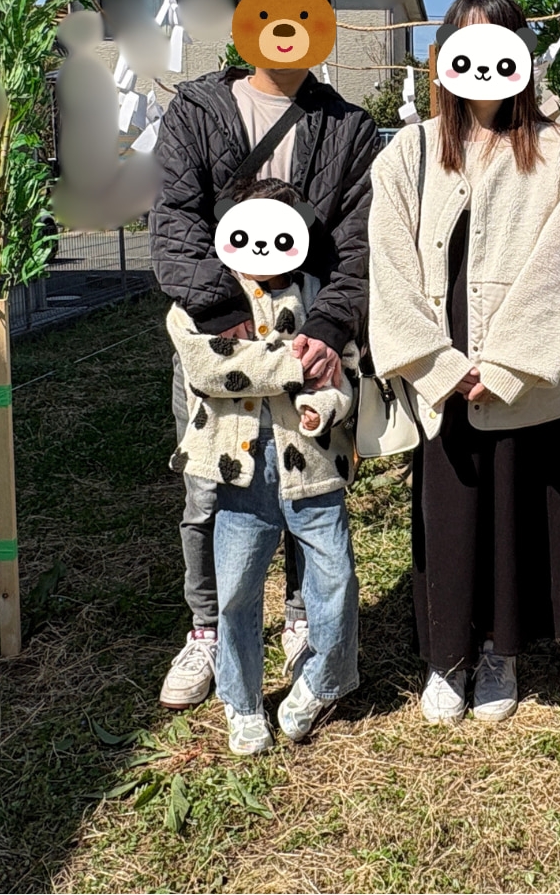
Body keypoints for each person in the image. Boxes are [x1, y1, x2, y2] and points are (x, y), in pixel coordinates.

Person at [150, 0, 378, 711]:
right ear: (243, 16)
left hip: (306, 333)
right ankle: (208, 626)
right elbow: (175, 222)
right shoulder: (198, 112)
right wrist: (218, 308)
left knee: (308, 478)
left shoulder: (349, 128)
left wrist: (327, 327)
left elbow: (359, 242)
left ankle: (299, 614)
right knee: (210, 481)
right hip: (219, 339)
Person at [367, 0, 560, 724]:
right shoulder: (410, 150)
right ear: (444, 59)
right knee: (450, 507)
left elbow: (559, 266)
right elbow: (390, 263)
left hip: (513, 365)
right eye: (467, 43)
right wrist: (437, 365)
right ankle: (446, 656)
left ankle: (502, 649)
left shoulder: (555, 151)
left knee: (515, 502)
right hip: (440, 356)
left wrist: (503, 365)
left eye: (499, 44)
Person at [166, 176, 360, 753]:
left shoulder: (321, 296)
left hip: (314, 470)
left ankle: (323, 682)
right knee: (237, 590)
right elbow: (211, 369)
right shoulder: (200, 305)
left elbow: (345, 371)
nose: (264, 253)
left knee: (336, 580)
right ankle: (243, 701)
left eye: (280, 236)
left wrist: (324, 406)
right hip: (239, 474)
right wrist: (299, 366)